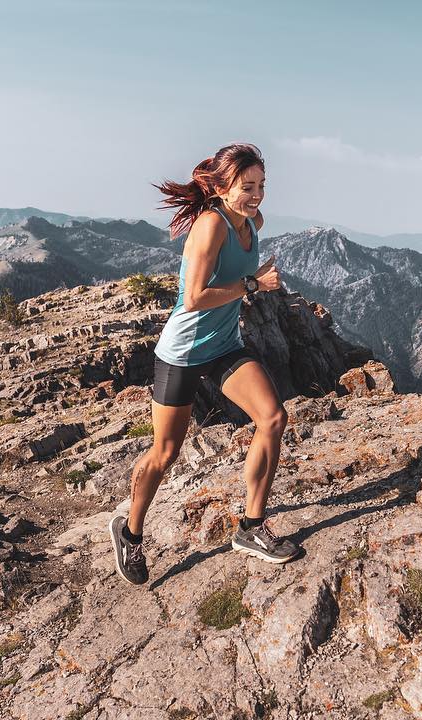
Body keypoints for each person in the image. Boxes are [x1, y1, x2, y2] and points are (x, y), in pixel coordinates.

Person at [108, 143, 300, 585]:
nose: (256, 195)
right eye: (246, 186)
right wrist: (253, 283)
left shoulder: (254, 222)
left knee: (272, 417)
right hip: (183, 353)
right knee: (166, 452)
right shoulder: (210, 227)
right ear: (222, 186)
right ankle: (130, 532)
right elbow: (193, 299)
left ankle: (251, 528)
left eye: (261, 186)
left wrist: (252, 280)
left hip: (225, 346)